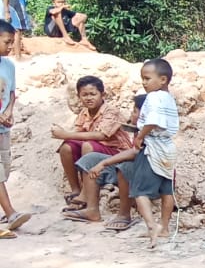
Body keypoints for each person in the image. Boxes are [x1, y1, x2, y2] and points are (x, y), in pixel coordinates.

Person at [63, 93, 145, 231]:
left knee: (125, 166)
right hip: (133, 164)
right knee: (90, 159)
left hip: (148, 172)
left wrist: (104, 163)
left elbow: (134, 153)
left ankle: (124, 215)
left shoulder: (154, 131)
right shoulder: (138, 130)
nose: (132, 114)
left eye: (135, 111)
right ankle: (92, 210)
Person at [119, 59, 178, 248]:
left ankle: (152, 226)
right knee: (166, 190)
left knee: (139, 190)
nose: (144, 83)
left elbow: (152, 121)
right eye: (142, 79)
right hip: (168, 148)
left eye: (147, 78)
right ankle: (165, 227)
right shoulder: (169, 98)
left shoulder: (153, 97)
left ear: (163, 79)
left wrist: (140, 136)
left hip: (153, 147)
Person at [53, 76, 131, 207]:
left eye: (93, 94)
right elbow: (78, 132)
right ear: (79, 96)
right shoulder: (84, 112)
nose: (89, 98)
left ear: (102, 95)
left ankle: (86, 194)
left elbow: (102, 135)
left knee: (87, 146)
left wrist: (65, 134)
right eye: (84, 95)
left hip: (117, 154)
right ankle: (76, 190)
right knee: (67, 147)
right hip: (97, 149)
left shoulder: (111, 111)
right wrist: (64, 135)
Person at [0, 22, 33, 236]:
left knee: (4, 169)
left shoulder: (9, 66)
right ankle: (11, 213)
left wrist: (9, 112)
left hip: (3, 129)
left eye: (12, 42)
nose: (11, 46)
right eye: (7, 42)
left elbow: (11, 93)